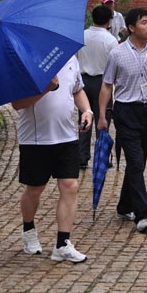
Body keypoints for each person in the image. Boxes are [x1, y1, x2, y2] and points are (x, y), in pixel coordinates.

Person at [12, 55, 94, 263]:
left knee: (70, 186)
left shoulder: (70, 59)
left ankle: (62, 244)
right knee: (35, 189)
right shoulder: (27, 61)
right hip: (36, 139)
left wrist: (87, 110)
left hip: (67, 135)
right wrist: (46, 88)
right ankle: (28, 229)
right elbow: (17, 103)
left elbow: (77, 89)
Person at [98, 7, 147, 233]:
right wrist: (102, 116)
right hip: (125, 111)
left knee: (139, 162)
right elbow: (107, 85)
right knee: (136, 162)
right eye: (144, 22)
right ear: (130, 28)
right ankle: (143, 213)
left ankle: (124, 205)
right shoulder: (117, 54)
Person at [76, 5, 116, 169]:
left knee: (84, 117)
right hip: (102, 83)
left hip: (83, 82)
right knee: (103, 119)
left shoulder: (81, 36)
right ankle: (102, 158)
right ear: (109, 21)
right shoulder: (111, 40)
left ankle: (82, 157)